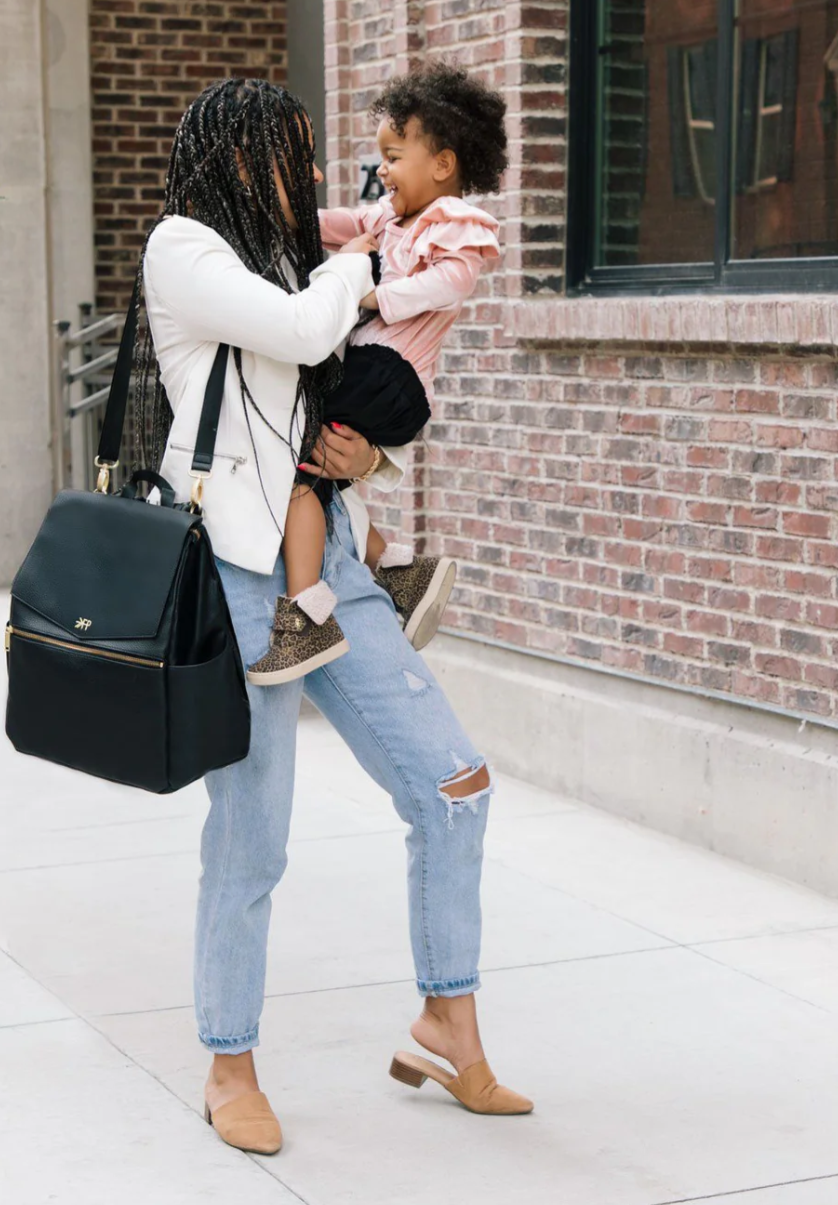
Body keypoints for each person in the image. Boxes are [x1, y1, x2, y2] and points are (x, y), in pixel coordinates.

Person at [137, 77, 532, 1158]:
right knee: (251, 836)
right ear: (237, 152)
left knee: (453, 783)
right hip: (239, 582)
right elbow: (313, 324)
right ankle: (229, 1058)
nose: (312, 175)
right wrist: (376, 248)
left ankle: (446, 1021)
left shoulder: (291, 255)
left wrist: (369, 451)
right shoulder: (187, 248)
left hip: (332, 562)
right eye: (292, 153)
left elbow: (334, 389)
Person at [246, 61, 507, 686]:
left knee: (298, 464)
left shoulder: (453, 222)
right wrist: (281, 210)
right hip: (371, 368)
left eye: (393, 156)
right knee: (312, 466)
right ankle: (398, 570)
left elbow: (451, 284)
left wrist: (370, 296)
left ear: (441, 164)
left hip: (394, 375)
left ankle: (307, 616)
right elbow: (328, 223)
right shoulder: (386, 221)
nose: (382, 171)